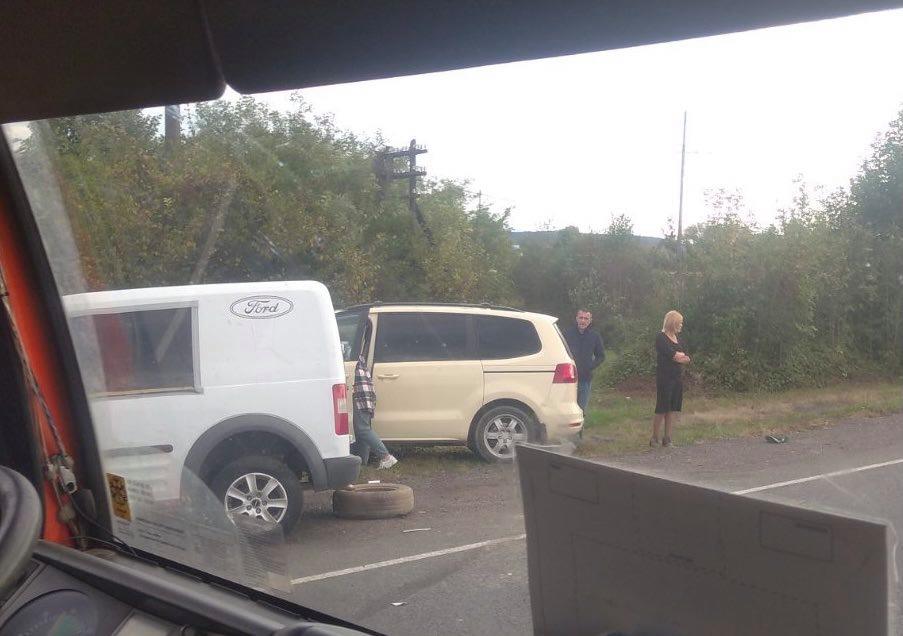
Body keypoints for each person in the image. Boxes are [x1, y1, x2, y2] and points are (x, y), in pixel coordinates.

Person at [352, 322, 397, 469]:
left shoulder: (355, 353)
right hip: (364, 392)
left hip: (361, 393)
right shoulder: (361, 353)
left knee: (362, 429)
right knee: (363, 427)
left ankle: (386, 457)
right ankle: (362, 460)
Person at [651, 310, 690, 447]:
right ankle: (654, 438)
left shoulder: (679, 338)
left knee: (672, 408)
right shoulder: (660, 338)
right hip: (664, 377)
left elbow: (686, 357)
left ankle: (667, 439)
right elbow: (671, 354)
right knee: (662, 407)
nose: (681, 325)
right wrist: (678, 356)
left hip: (676, 377)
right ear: (673, 322)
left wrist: (679, 356)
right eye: (679, 322)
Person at [563, 309, 605, 412]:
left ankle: (580, 428)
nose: (583, 321)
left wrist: (590, 366)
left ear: (590, 320)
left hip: (585, 379)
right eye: (581, 318)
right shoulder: (566, 334)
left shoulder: (594, 336)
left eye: (586, 318)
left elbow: (601, 356)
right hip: (567, 378)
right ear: (576, 319)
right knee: (566, 408)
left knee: (581, 409)